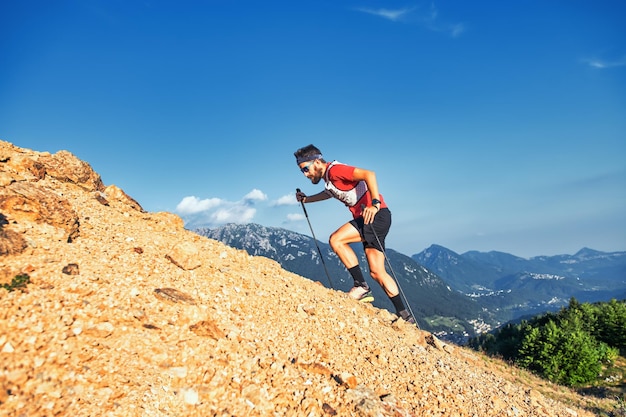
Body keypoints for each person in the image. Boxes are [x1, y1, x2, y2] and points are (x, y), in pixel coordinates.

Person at [294, 144, 415, 324]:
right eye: (302, 171)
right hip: (375, 217)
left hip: (374, 215)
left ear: (317, 162)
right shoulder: (330, 179)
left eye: (306, 168)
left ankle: (361, 286)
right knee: (377, 272)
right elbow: (329, 194)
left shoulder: (335, 171)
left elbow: (369, 174)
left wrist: (374, 204)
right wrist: (306, 199)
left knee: (336, 240)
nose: (305, 174)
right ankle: (406, 317)